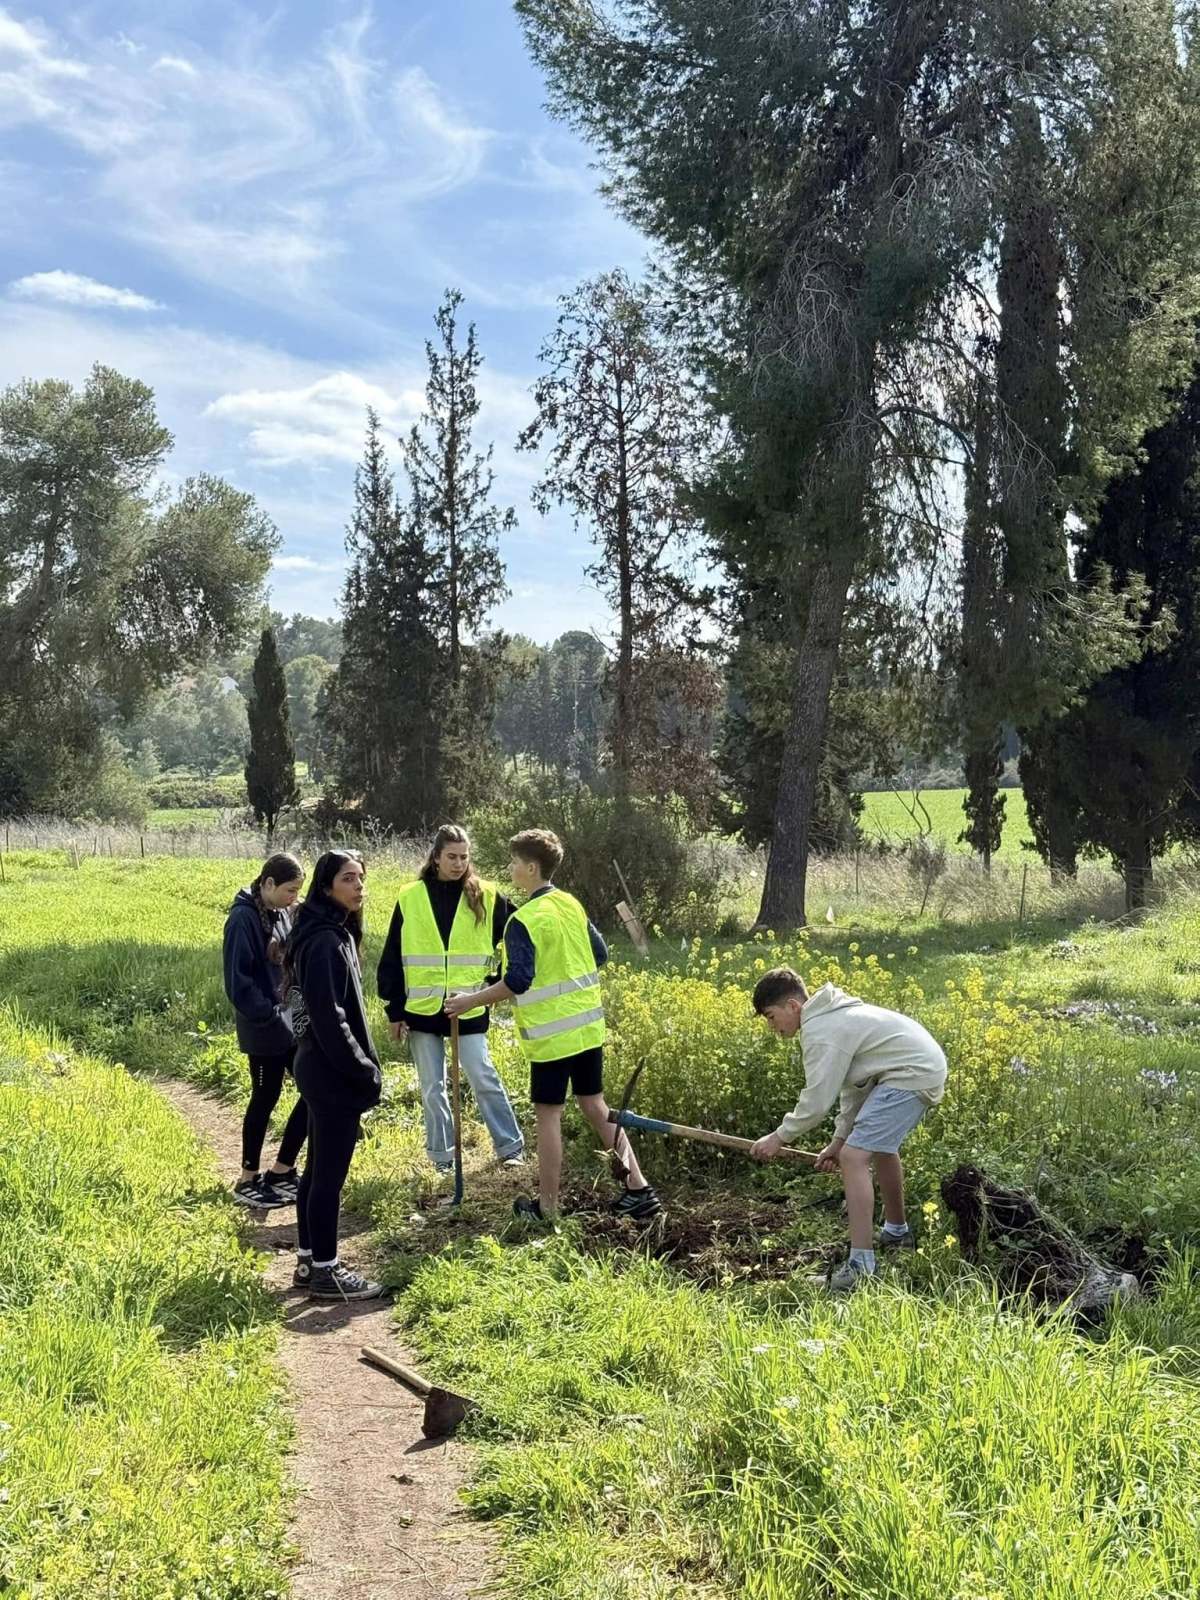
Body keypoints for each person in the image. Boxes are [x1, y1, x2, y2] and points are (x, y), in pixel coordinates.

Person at [446, 827, 661, 1224]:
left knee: (549, 1116)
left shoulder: (523, 920)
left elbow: (518, 982)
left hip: (552, 1037)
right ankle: (639, 1189)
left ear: (531, 867)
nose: (510, 868)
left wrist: (468, 1002)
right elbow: (599, 954)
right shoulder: (571, 905)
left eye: (514, 862)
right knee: (596, 1106)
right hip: (588, 1030)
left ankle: (546, 1208)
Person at [748, 967, 947, 1293]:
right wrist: (839, 1140)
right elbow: (854, 1086)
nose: (772, 1027)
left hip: (912, 1073)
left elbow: (816, 1101)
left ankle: (861, 1267)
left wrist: (778, 1137)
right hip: (917, 1068)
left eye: (771, 1017)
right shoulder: (832, 1017)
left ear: (793, 1007)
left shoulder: (821, 1030)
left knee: (855, 1158)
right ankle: (897, 1233)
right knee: (878, 1148)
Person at [377, 823, 525, 1175]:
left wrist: (495, 981)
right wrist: (394, 1009)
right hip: (422, 1010)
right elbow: (393, 954)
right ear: (436, 857)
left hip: (469, 1006)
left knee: (482, 1076)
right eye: (452, 857)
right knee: (432, 1087)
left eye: (464, 857)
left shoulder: (487, 895)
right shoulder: (410, 896)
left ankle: (510, 1148)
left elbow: (520, 932)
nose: (459, 864)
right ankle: (442, 1158)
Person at [285, 849, 383, 1301]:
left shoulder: (330, 932)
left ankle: (308, 1262)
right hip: (330, 1071)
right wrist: (361, 1070)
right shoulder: (324, 940)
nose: (359, 886)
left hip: (319, 1067)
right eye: (348, 879)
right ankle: (326, 1269)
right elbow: (328, 1016)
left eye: (361, 878)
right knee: (329, 1176)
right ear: (326, 887)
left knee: (316, 1169)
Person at [222, 852, 309, 1209]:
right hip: (262, 1027)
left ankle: (282, 1169)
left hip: (291, 1023)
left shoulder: (281, 912)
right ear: (268, 884)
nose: (295, 898)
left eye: (299, 891)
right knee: (265, 1096)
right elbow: (237, 983)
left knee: (314, 1090)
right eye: (290, 890)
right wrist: (271, 1013)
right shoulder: (242, 919)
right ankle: (247, 1179)